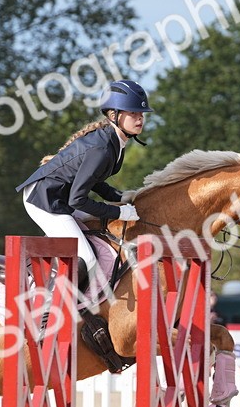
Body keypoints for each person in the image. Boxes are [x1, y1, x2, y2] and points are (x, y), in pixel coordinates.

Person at [16, 78, 148, 297]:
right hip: (44, 200)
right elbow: (77, 200)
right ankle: (49, 308)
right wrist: (118, 211)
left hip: (62, 196)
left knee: (104, 228)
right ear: (114, 115)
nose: (139, 118)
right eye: (133, 113)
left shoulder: (116, 142)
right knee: (86, 258)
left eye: (141, 114)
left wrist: (122, 197)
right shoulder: (102, 148)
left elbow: (94, 181)